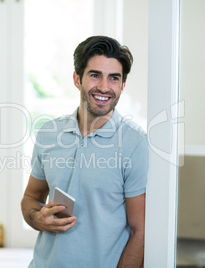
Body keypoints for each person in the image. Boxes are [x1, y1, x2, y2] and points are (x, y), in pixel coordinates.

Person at [21, 35, 148, 268]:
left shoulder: (135, 143)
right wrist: (37, 218)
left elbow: (140, 231)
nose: (104, 87)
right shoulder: (49, 133)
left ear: (122, 85)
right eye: (95, 75)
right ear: (77, 79)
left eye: (114, 78)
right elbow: (31, 198)